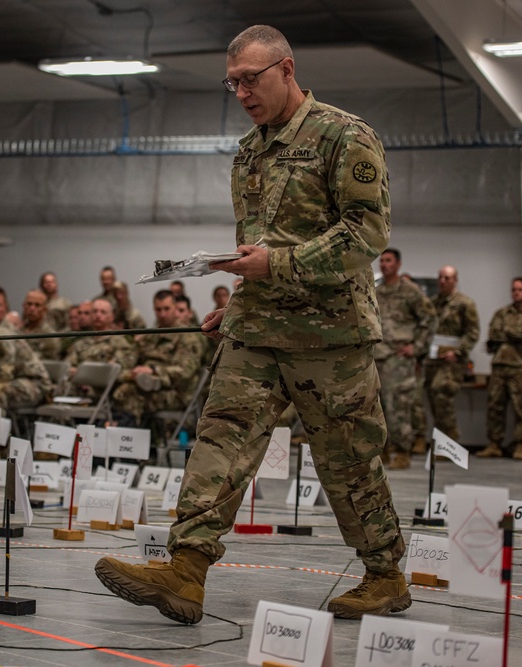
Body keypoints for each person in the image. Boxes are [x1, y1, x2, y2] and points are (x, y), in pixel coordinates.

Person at [95, 25, 407, 624]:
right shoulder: (249, 151)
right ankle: (185, 570)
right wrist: (237, 303)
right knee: (219, 443)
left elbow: (367, 234)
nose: (240, 92)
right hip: (258, 333)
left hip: (330, 340)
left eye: (251, 79)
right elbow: (256, 248)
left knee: (347, 461)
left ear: (286, 70)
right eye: (232, 82)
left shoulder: (344, 136)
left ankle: (385, 575)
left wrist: (279, 264)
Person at [374, 249, 435, 469]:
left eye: (388, 260)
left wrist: (417, 347)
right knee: (376, 408)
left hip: (399, 360)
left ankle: (402, 451)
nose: (384, 264)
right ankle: (383, 451)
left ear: (398, 264)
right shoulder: (376, 292)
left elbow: (429, 320)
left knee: (398, 406)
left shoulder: (411, 292)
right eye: (381, 260)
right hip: (377, 357)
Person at [112, 290, 205, 427]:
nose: (162, 314)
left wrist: (153, 370)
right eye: (158, 309)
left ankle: (129, 442)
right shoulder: (150, 335)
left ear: (175, 308)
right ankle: (131, 440)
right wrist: (128, 370)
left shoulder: (187, 337)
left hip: (175, 393)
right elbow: (132, 356)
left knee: (128, 396)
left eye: (167, 309)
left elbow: (184, 372)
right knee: (120, 390)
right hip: (145, 386)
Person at [478, 278, 522, 460]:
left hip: (520, 367)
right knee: (495, 406)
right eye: (514, 289)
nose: (517, 293)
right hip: (499, 366)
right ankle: (494, 444)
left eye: (520, 289)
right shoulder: (501, 312)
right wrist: (513, 332)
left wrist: (506, 332)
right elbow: (493, 336)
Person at [422, 265, 480, 448]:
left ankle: (449, 439)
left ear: (455, 280)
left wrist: (458, 352)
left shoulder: (465, 303)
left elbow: (472, 332)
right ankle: (441, 442)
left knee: (442, 394)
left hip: (452, 361)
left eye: (447, 278)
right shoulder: (432, 303)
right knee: (433, 397)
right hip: (433, 359)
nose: (442, 281)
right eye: (440, 277)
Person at [21, 289, 61, 361]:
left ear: (44, 309)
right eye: (29, 304)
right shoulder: (18, 330)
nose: (32, 309)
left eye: (37, 305)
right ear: (24, 306)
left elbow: (48, 365)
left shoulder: (50, 336)